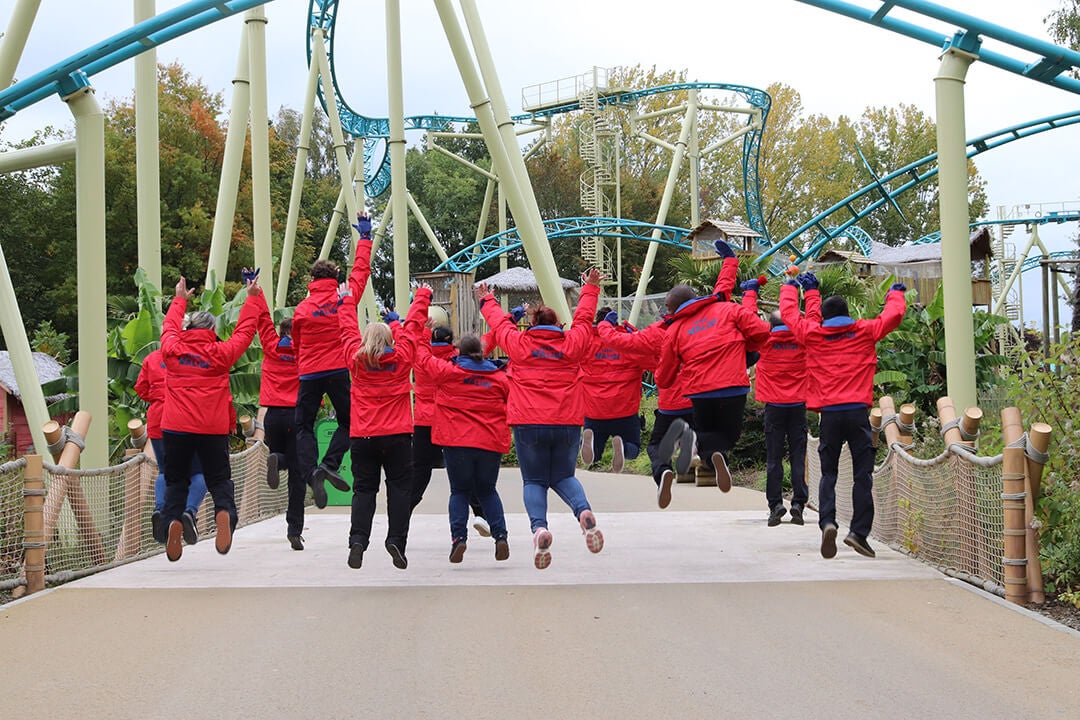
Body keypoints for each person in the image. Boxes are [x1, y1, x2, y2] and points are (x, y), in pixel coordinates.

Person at [476, 269, 603, 570]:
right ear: (559, 324)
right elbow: (584, 319)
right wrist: (591, 288)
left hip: (528, 422)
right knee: (564, 477)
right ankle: (583, 514)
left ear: (531, 323)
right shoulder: (572, 344)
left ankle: (539, 529)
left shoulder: (519, 345)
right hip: (567, 422)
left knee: (534, 480)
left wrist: (486, 299)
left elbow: (498, 324)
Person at [780, 272, 907, 559]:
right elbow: (893, 316)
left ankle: (827, 522)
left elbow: (790, 316)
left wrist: (794, 288)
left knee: (829, 474)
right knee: (863, 475)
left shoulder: (814, 334)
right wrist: (895, 293)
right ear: (848, 315)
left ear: (824, 318)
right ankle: (859, 533)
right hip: (857, 413)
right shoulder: (864, 330)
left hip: (830, 415)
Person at [404, 284, 512, 563]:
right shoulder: (500, 378)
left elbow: (420, 354)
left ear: (458, 353)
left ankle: (458, 539)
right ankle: (501, 536)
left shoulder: (447, 372)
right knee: (487, 490)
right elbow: (495, 340)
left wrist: (423, 328)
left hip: (456, 441)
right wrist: (507, 318)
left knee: (459, 491)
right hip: (489, 442)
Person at [159, 271, 262, 562]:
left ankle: (173, 522)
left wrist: (179, 300)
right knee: (219, 479)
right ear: (212, 329)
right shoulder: (222, 352)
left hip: (176, 427)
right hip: (212, 428)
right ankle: (224, 513)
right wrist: (252, 300)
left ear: (187, 328)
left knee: (176, 481)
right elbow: (244, 332)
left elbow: (167, 327)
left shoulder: (172, 348)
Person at [655, 242, 770, 491]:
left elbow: (664, 376)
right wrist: (745, 348)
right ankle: (718, 454)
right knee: (730, 435)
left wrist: (665, 377)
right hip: (733, 386)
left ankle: (708, 452)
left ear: (675, 306)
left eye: (667, 306)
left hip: (700, 392)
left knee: (705, 433)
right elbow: (762, 331)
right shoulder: (726, 308)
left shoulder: (674, 329)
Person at [337, 233, 414, 570]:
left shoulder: (355, 360)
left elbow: (345, 327)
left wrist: (344, 303)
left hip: (364, 435)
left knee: (364, 491)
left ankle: (358, 541)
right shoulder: (403, 358)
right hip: (397, 435)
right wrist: (414, 304)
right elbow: (411, 334)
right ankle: (395, 540)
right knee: (399, 490)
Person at [742, 276, 816, 526]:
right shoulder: (803, 339)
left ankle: (775, 506)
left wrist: (751, 293)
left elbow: (748, 321)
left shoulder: (764, 341)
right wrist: (811, 292)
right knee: (798, 455)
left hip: (773, 407)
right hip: (797, 406)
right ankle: (798, 503)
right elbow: (813, 320)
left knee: (774, 458)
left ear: (770, 326)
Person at [292, 237, 358, 509]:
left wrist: (302, 365)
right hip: (338, 368)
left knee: (303, 426)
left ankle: (311, 474)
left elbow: (296, 342)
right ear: (336, 276)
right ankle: (329, 464)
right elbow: (361, 272)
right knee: (349, 421)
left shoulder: (302, 309)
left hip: (310, 372)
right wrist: (363, 239)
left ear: (311, 278)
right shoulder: (343, 299)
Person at [410, 320, 491, 537]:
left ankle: (402, 516)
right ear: (451, 340)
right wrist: (508, 320)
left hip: (424, 421)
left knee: (419, 471)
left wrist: (423, 330)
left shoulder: (422, 357)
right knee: (465, 473)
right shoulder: (458, 359)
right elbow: (485, 345)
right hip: (452, 420)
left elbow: (414, 345)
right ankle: (480, 514)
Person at [134, 348, 208, 545]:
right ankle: (189, 512)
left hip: (158, 420)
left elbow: (140, 388)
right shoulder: (194, 357)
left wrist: (159, 398)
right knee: (199, 472)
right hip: (187, 419)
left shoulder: (151, 358)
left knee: (165, 471)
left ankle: (160, 509)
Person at [253, 296, 305, 551]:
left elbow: (262, 322)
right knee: (297, 474)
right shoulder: (303, 353)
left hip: (273, 414)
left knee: (280, 454)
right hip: (297, 415)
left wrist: (256, 294)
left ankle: (275, 458)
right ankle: (294, 529)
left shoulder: (271, 348)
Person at [579, 307, 650, 473]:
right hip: (625, 408)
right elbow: (649, 360)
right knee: (633, 446)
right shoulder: (627, 341)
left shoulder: (586, 342)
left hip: (594, 409)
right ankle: (624, 448)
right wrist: (632, 331)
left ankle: (586, 443)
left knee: (594, 455)